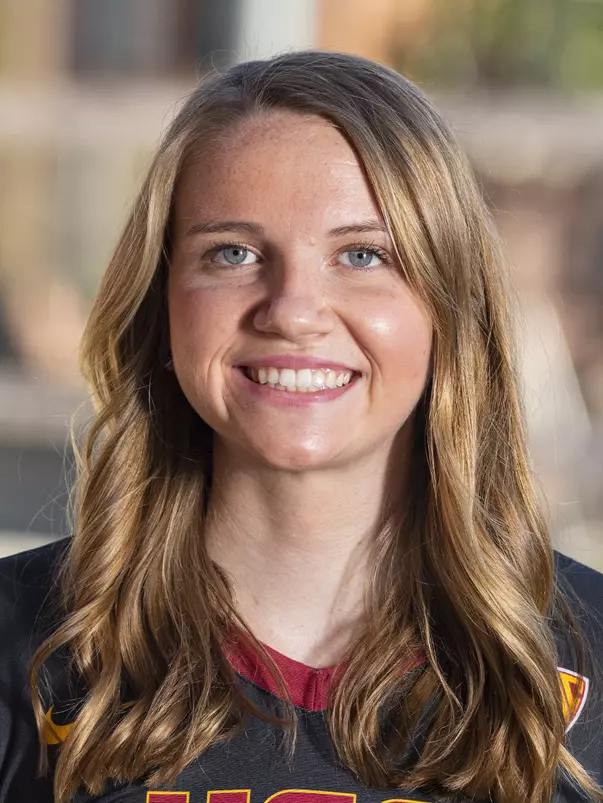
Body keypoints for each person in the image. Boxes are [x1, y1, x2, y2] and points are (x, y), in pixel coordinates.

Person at [0, 50, 602, 803]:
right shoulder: (20, 641)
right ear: (161, 304)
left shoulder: (586, 658)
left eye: (362, 254)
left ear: (450, 307)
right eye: (233, 253)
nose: (291, 311)